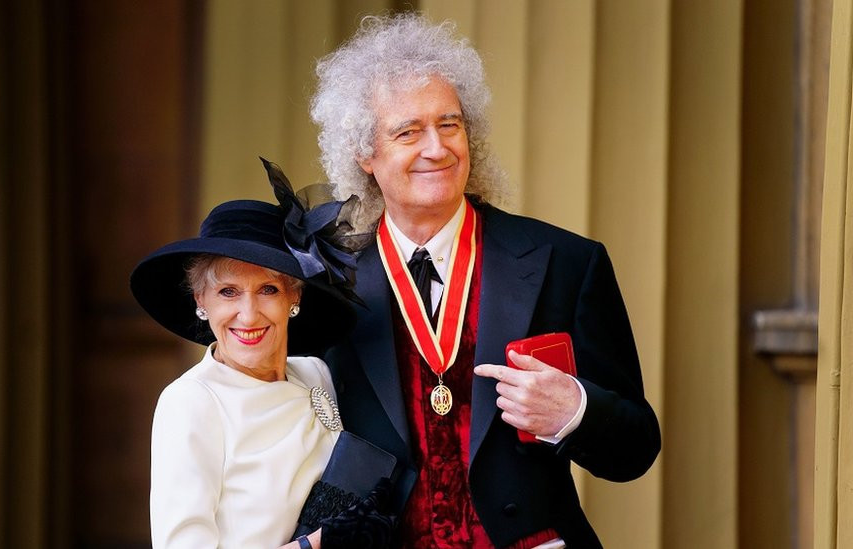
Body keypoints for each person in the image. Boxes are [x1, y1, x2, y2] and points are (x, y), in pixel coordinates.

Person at [311, 13, 661, 548]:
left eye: (449, 124)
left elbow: (635, 448)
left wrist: (576, 410)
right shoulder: (322, 277)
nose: (437, 147)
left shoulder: (568, 260)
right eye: (408, 131)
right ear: (365, 154)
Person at [130, 159, 395, 548]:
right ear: (201, 300)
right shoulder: (190, 402)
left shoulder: (316, 374)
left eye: (268, 290)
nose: (248, 314)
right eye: (227, 292)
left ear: (295, 295)